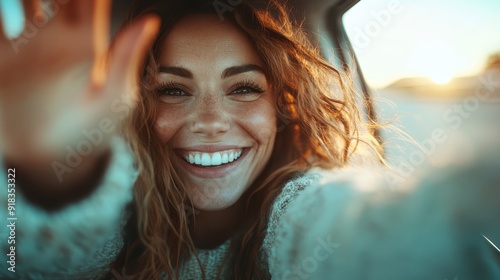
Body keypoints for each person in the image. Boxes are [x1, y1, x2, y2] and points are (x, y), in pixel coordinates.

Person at [0, 0, 499, 279]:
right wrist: (48, 172)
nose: (212, 121)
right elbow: (35, 260)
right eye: (174, 90)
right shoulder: (112, 222)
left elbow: (362, 239)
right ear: (137, 109)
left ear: (282, 108)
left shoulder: (297, 209)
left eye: (243, 88)